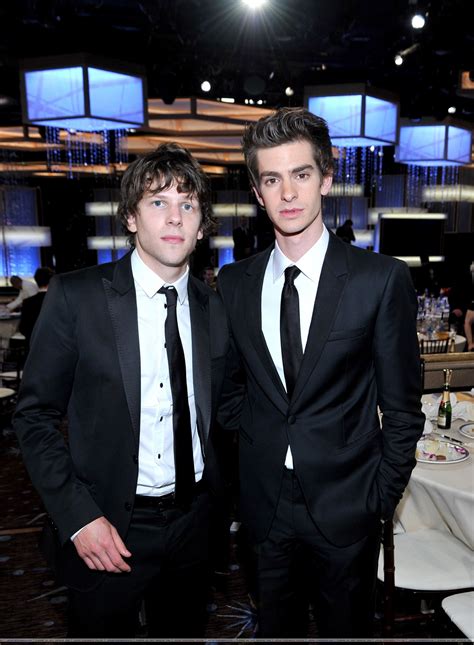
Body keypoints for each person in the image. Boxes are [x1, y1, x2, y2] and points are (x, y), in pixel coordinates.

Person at [216, 107, 424, 639]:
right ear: (258, 193)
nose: (288, 193)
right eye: (272, 179)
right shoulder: (234, 282)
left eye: (301, 174)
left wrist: (377, 499)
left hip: (347, 507)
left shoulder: (379, 280)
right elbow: (230, 390)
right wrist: (257, 446)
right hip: (263, 509)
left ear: (326, 179)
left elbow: (403, 409)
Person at [13, 143, 229, 639]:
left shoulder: (212, 306)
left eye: (188, 204)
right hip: (107, 524)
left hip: (194, 523)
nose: (174, 218)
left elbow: (226, 410)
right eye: (158, 203)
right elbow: (34, 417)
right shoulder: (76, 297)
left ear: (201, 226)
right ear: (131, 218)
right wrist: (78, 517)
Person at [19, 266, 54, 352]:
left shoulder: (27, 302)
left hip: (33, 350)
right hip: (55, 350)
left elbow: (23, 328)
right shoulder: (58, 300)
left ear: (36, 281)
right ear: (52, 280)